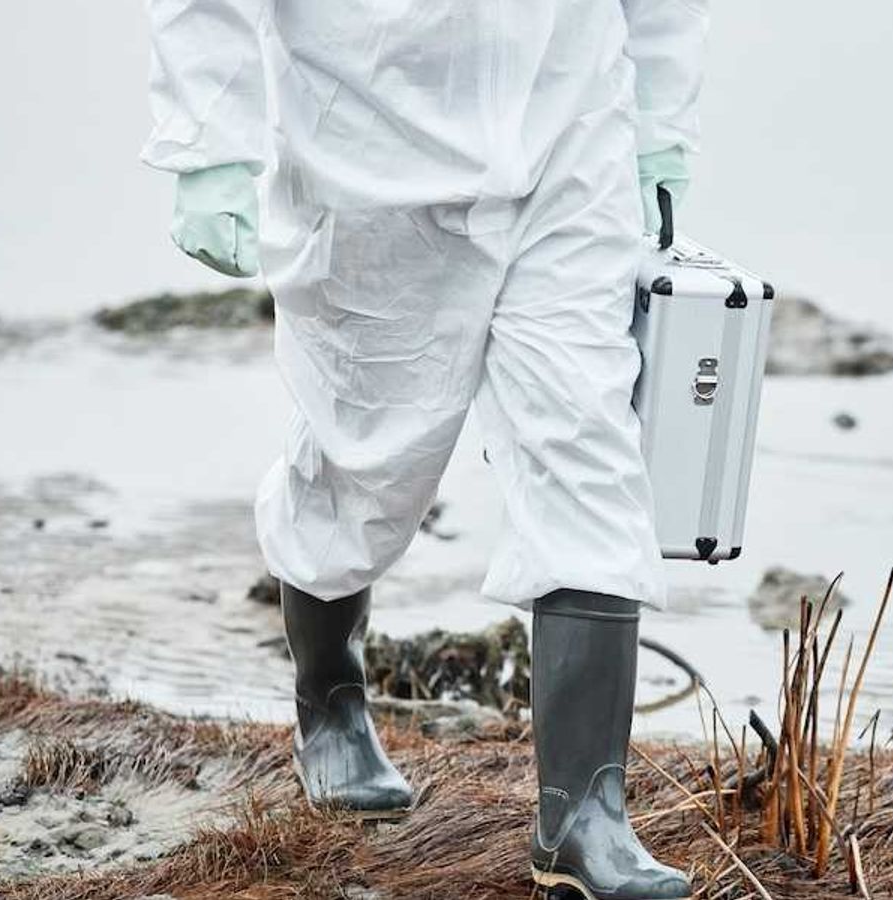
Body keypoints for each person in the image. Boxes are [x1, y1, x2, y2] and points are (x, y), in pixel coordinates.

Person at [142, 1, 706, 896]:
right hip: (364, 144)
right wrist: (207, 142)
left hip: (568, 130)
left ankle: (583, 815)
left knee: (586, 439)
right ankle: (328, 700)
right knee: (364, 467)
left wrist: (658, 127)